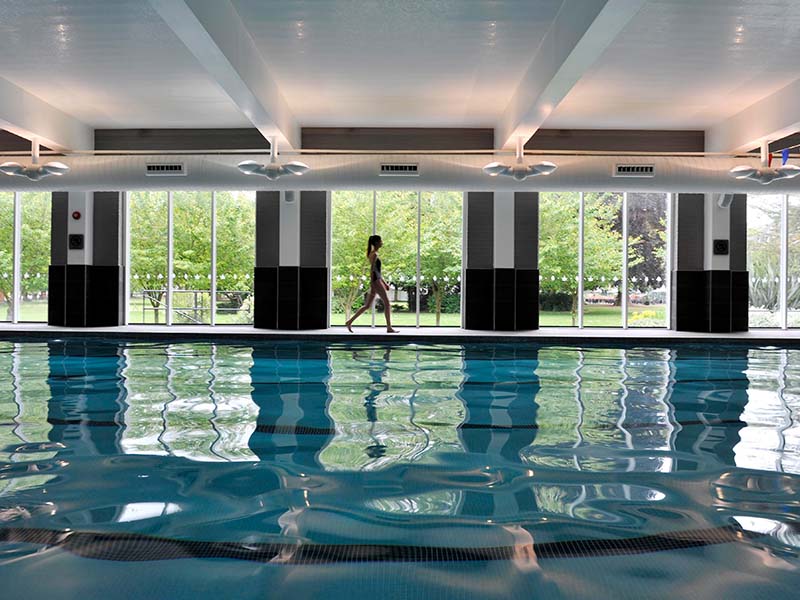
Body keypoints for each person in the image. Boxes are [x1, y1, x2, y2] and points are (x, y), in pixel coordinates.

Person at [345, 234, 398, 333]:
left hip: (376, 280)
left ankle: (349, 321)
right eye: (381, 240)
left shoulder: (373, 253)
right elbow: (373, 270)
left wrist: (384, 283)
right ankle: (389, 328)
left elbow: (377, 271)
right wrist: (374, 283)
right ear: (377, 242)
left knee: (367, 305)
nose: (382, 242)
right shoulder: (374, 254)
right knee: (387, 303)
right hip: (375, 281)